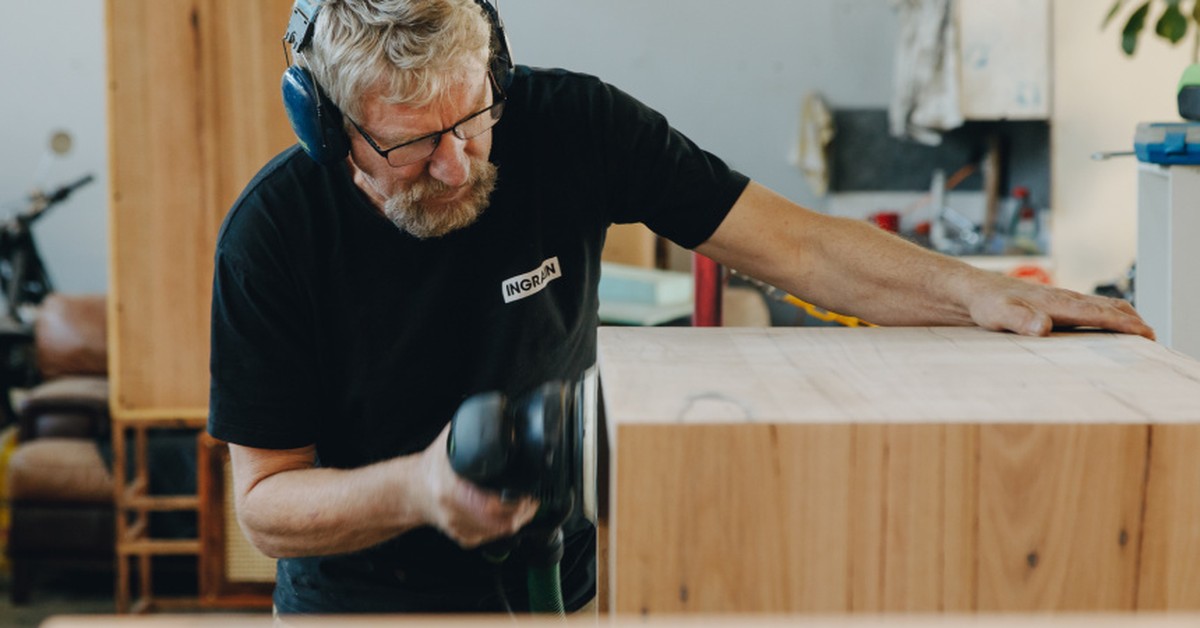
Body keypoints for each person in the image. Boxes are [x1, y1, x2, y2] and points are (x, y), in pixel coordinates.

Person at [207, 0, 1154, 616]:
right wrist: (418, 489)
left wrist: (979, 290)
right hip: (365, 605)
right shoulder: (273, 238)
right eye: (414, 144)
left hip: (562, 585)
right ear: (330, 128)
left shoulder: (572, 124)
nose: (457, 165)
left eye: (472, 117)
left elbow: (799, 247)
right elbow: (265, 507)